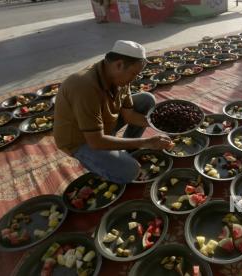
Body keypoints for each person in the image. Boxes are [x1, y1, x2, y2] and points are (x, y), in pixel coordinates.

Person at [53, 40, 173, 184]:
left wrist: (162, 125)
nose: (135, 79)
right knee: (130, 171)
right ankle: (98, 162)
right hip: (82, 140)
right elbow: (96, 141)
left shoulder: (117, 76)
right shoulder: (84, 85)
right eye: (134, 74)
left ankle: (127, 149)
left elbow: (129, 116)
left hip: (103, 125)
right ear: (119, 65)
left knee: (146, 99)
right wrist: (146, 142)